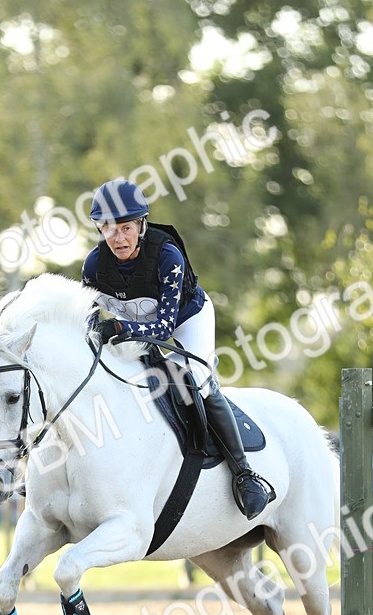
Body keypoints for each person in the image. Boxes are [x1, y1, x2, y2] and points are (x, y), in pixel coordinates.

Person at [81, 177, 275, 520]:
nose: (119, 238)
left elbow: (164, 328)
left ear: (141, 225)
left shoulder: (167, 256)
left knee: (196, 380)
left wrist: (120, 328)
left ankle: (245, 475)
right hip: (135, 324)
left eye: (126, 228)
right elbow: (88, 322)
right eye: (109, 229)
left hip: (186, 319)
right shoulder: (94, 265)